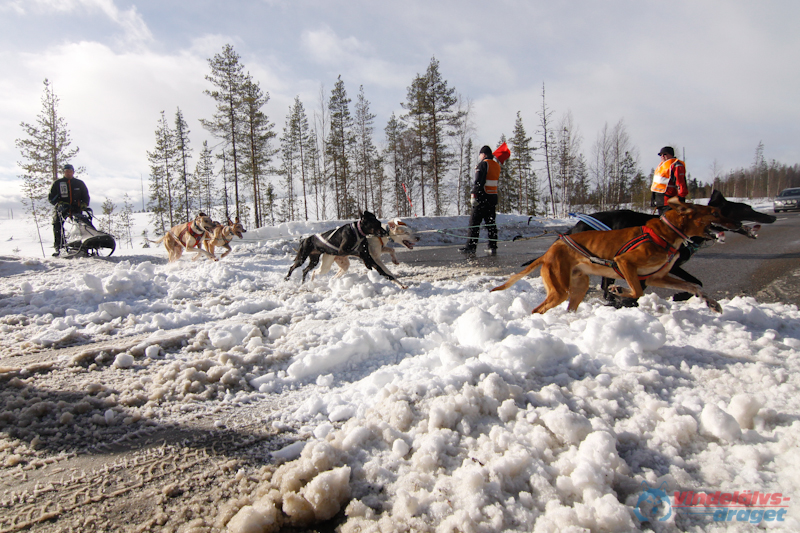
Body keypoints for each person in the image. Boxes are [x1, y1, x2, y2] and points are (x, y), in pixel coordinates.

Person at [460, 145, 500, 255]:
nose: (480, 156)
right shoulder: (496, 165)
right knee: (491, 224)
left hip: (482, 198)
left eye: (480, 154)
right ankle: (492, 246)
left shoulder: (483, 164)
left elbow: (478, 181)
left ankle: (471, 247)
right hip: (492, 198)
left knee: (474, 223)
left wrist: (474, 194)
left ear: (484, 154)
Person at [48, 163, 90, 256]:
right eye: (66, 171)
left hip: (76, 208)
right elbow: (51, 198)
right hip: (62, 209)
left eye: (70, 171)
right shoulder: (58, 183)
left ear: (73, 172)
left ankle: (82, 247)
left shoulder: (79, 183)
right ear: (64, 172)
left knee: (82, 225)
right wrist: (59, 203)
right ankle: (60, 248)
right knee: (57, 225)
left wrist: (84, 204)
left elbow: (86, 196)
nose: (68, 173)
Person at [650, 146, 688, 215]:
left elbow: (680, 182)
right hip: (660, 201)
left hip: (670, 200)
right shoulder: (660, 166)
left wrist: (681, 197)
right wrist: (653, 197)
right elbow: (656, 184)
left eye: (665, 154)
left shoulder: (676, 165)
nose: (662, 156)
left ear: (671, 154)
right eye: (661, 155)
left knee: (668, 220)